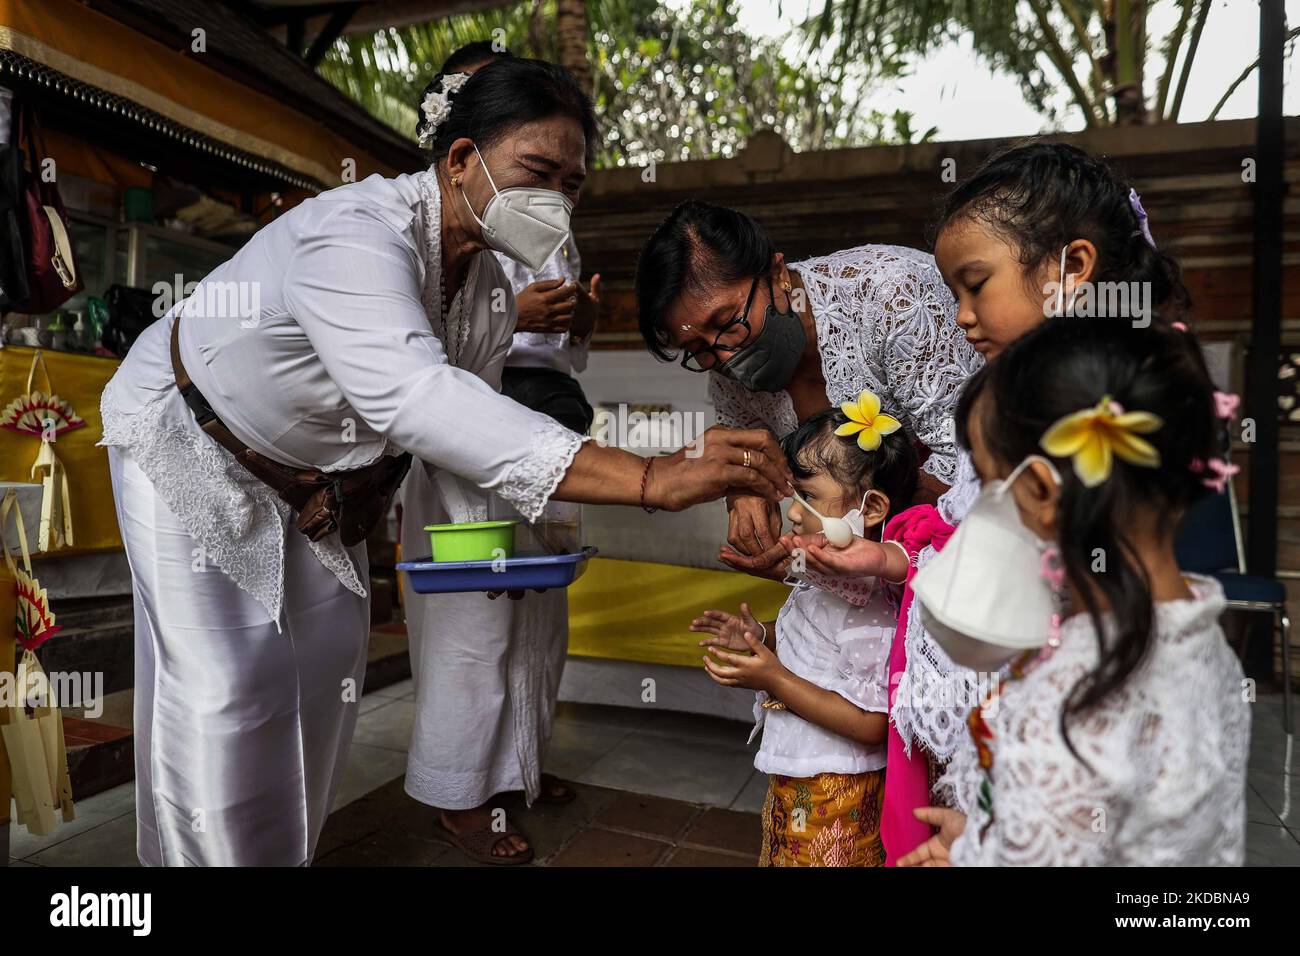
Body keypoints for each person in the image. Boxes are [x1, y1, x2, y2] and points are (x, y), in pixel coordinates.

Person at [99, 56, 790, 867]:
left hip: (317, 490)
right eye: (536, 171)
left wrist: (495, 553)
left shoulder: (492, 287)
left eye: (570, 183)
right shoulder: (356, 234)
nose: (554, 199)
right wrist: (647, 481)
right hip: (190, 443)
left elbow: (471, 434)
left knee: (324, 679)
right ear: (460, 159)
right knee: (225, 690)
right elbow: (416, 400)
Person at [783, 141, 1202, 862]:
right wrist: (885, 558)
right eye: (953, 296)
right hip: (982, 749)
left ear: (1072, 267)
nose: (964, 317)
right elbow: (965, 537)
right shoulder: (1013, 409)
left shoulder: (1096, 426)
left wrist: (1008, 831)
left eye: (977, 285)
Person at [898, 318, 1249, 866]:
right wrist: (991, 839)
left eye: (987, 484)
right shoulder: (1208, 645)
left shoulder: (1063, 700)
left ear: (1038, 491)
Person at [634, 200, 981, 587]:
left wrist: (832, 550)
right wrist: (745, 490)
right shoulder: (726, 376)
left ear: (777, 273)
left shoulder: (890, 295)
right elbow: (755, 462)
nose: (725, 357)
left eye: (728, 322)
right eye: (697, 348)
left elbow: (972, 466)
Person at [692, 391, 914, 866]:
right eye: (792, 494)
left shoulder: (870, 606)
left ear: (871, 509)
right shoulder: (827, 580)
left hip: (839, 790)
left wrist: (773, 679)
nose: (792, 512)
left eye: (809, 496)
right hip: (802, 775)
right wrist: (762, 636)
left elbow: (871, 724)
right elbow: (815, 644)